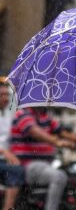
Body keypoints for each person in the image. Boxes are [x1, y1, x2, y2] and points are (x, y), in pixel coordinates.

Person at [10, 106, 76, 210]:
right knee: (59, 177)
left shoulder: (45, 116)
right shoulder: (23, 114)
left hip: (47, 164)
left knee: (74, 174)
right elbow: (36, 132)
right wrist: (58, 142)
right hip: (28, 165)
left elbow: (62, 132)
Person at [0, 79, 25, 210]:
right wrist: (4, 152)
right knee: (16, 170)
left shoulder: (8, 114)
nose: (5, 98)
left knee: (20, 169)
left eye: (7, 95)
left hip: (6, 159)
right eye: (1, 95)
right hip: (3, 158)